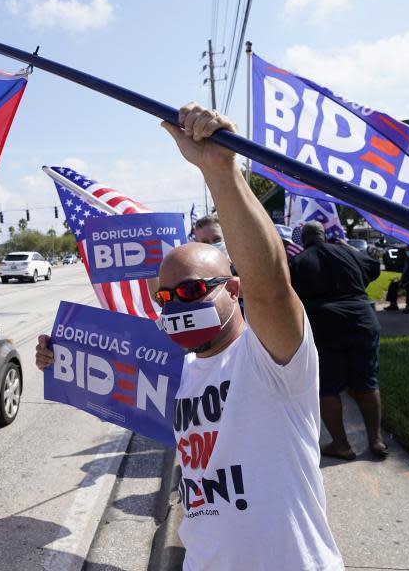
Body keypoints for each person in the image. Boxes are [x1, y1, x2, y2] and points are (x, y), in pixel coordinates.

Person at [36, 104, 342, 570]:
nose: (178, 304)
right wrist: (61, 357)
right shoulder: (183, 370)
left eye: (194, 290)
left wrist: (221, 170)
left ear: (233, 290)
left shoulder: (273, 359)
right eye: (167, 297)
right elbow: (111, 372)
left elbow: (272, 286)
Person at [288, 222, 385, 461]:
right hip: (362, 320)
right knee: (366, 382)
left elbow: (285, 291)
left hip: (323, 326)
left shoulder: (298, 262)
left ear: (303, 240)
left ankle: (341, 444)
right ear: (324, 235)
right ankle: (376, 440)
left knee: (327, 387)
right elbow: (374, 268)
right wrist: (347, 247)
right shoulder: (346, 252)